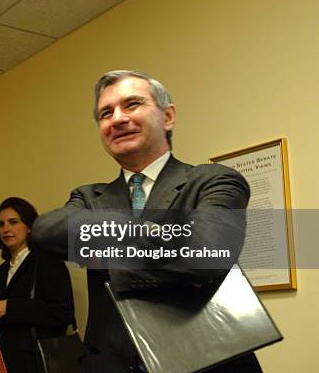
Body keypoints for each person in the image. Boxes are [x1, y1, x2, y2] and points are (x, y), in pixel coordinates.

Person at [30, 70, 262, 373]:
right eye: (105, 113)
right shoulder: (88, 197)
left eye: (132, 104)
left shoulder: (214, 181)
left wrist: (107, 246)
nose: (117, 119)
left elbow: (207, 254)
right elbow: (44, 233)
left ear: (168, 116)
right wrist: (156, 233)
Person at [0, 197, 74, 373]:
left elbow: (63, 313)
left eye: (13, 222)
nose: (6, 229)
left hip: (35, 363)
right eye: (1, 224)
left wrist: (11, 307)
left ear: (30, 226)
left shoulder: (48, 262)